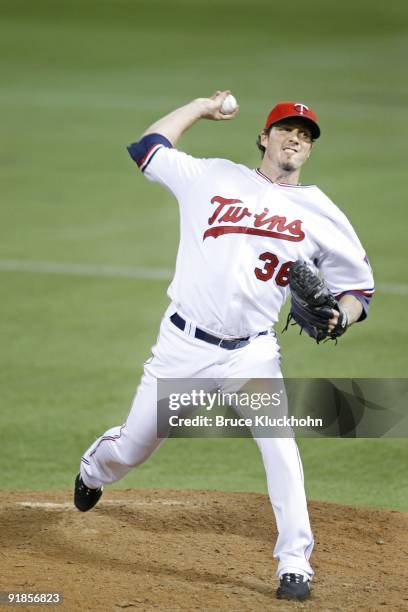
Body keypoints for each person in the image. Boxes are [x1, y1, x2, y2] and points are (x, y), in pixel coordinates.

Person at [74, 92, 374, 601]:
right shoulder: (212, 176)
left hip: (251, 354)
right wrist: (199, 107)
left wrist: (338, 316)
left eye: (305, 134)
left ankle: (295, 563)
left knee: (280, 449)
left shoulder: (321, 212)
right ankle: (93, 469)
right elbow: (148, 147)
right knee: (132, 449)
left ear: (310, 149)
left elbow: (359, 291)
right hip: (183, 347)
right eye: (286, 129)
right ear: (264, 137)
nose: (295, 137)